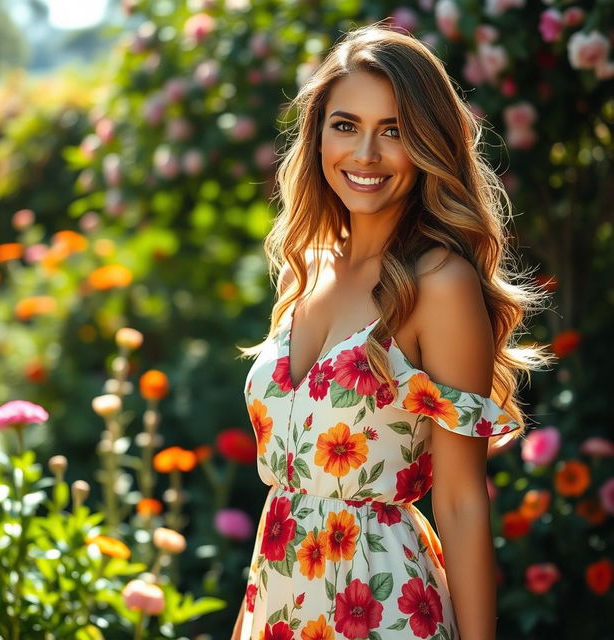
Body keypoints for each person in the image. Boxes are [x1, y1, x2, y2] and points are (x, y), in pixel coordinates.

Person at [233, 21, 554, 640]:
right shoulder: (309, 268)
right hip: (278, 604)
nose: (365, 156)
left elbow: (461, 503)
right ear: (318, 133)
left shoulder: (440, 283)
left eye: (395, 132)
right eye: (346, 125)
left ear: (429, 146)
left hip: (381, 608)